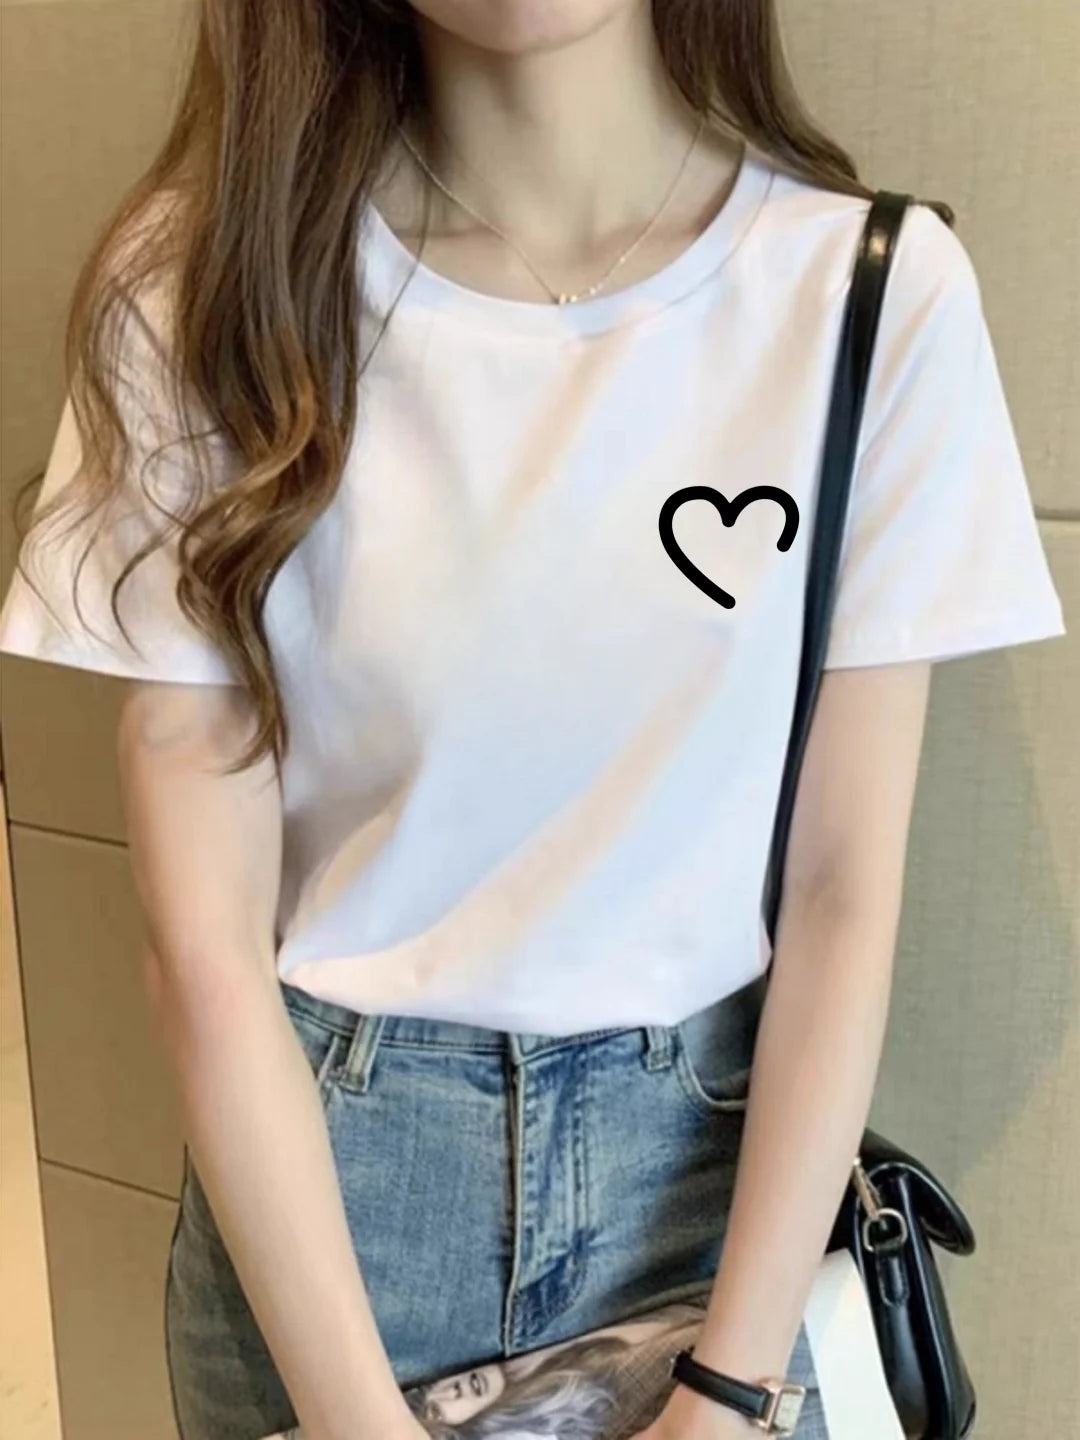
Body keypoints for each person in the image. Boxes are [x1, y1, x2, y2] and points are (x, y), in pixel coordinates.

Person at [0, 2, 1065, 1439]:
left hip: (718, 1207)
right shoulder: (203, 294)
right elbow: (201, 945)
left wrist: (732, 1389)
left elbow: (841, 894)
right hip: (324, 1204)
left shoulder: (869, 297)